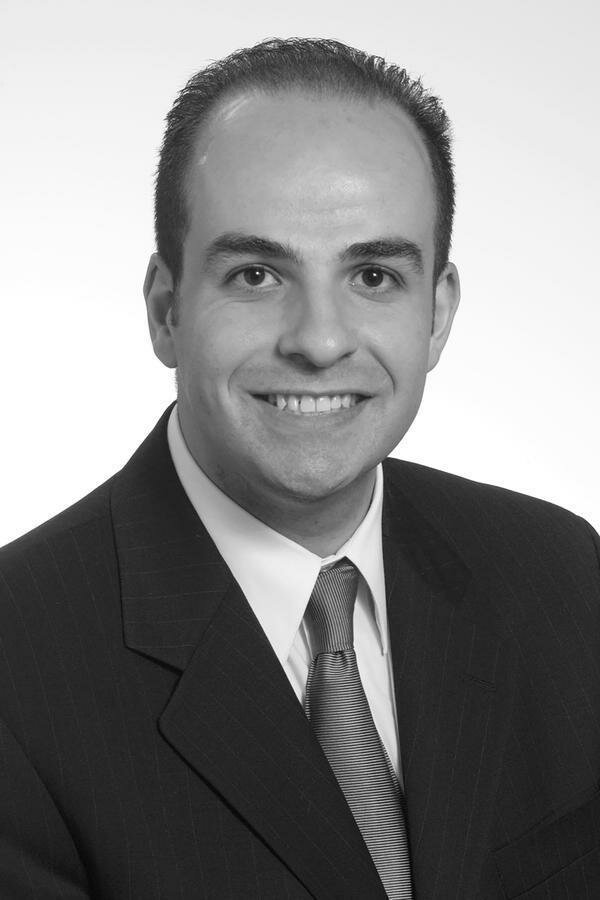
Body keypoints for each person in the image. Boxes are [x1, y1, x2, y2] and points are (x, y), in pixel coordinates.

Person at [0, 37, 598, 900]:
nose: (319, 341)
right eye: (256, 274)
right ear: (167, 311)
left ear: (437, 315)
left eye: (374, 275)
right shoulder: (19, 670)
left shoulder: (561, 574)